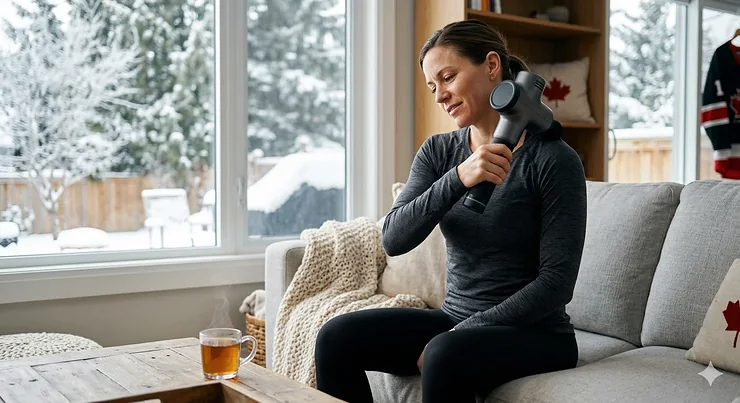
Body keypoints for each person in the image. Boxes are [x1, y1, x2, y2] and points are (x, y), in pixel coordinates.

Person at [314, 19, 587, 403]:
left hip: (537, 333)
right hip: (455, 318)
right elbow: (393, 239)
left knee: (444, 354)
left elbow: (556, 284)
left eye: (448, 77)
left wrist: (463, 332)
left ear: (491, 66)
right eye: (432, 86)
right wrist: (459, 177)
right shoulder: (440, 152)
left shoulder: (554, 159)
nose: (440, 95)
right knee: (335, 337)